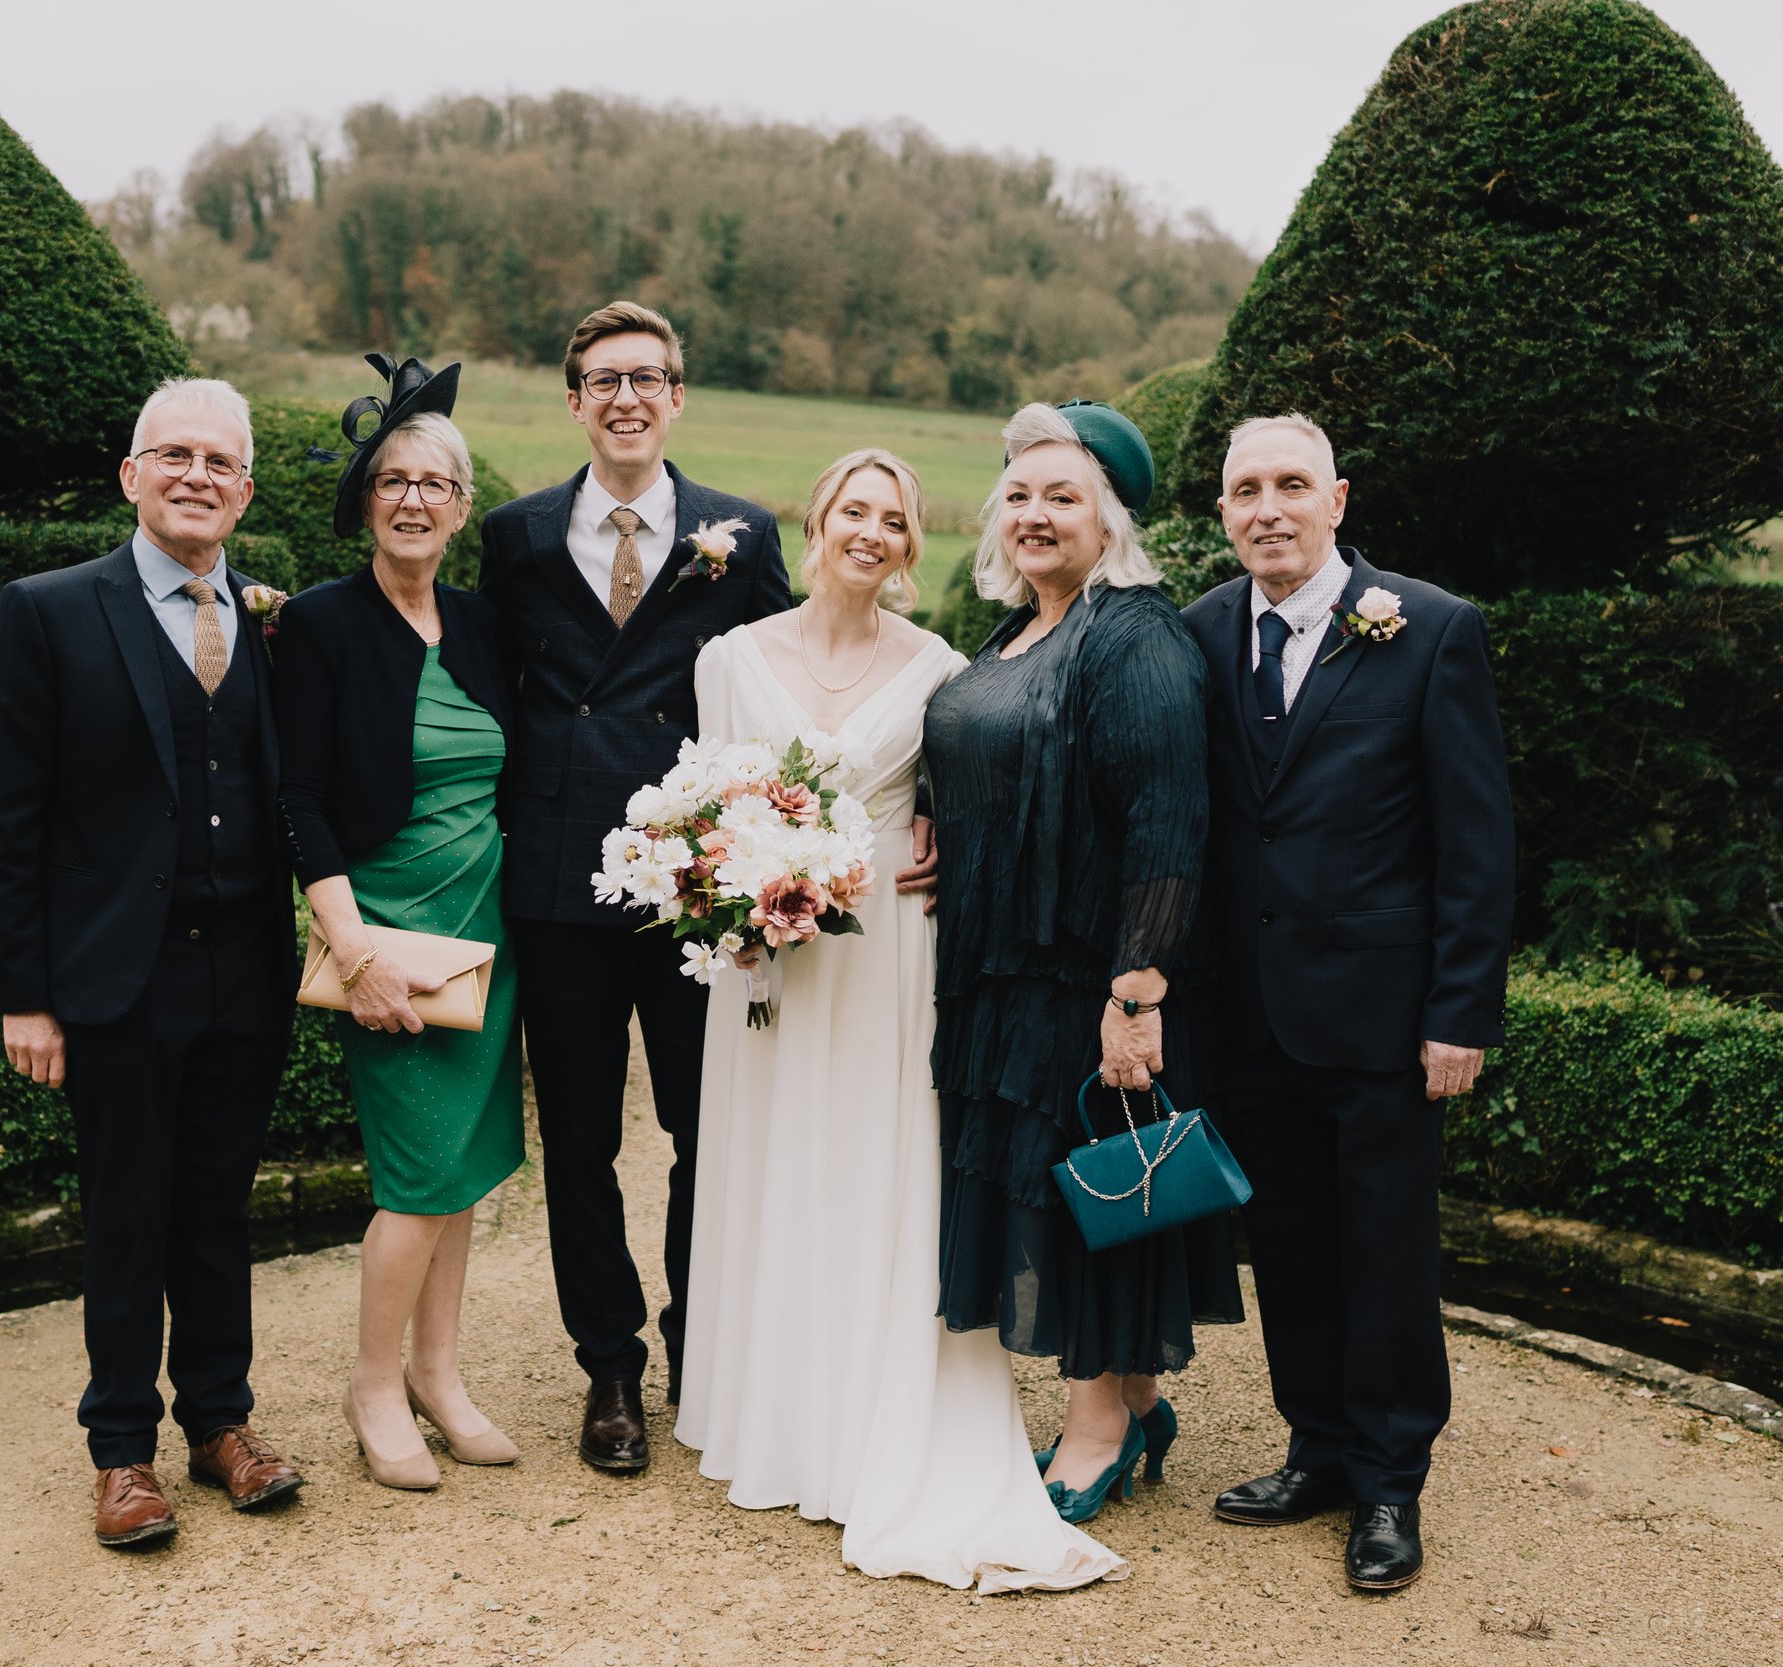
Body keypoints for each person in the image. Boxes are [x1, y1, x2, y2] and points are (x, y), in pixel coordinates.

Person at [673, 449, 1125, 1592]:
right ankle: (777, 1414)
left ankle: (875, 1408)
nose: (869, 532)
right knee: (774, 1160)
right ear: (816, 520)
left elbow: (981, 788)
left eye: (894, 518)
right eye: (853, 510)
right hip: (766, 956)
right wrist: (722, 898)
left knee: (878, 1165)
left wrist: (940, 831)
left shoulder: (937, 666)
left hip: (886, 947)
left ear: (912, 545)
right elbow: (704, 802)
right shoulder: (728, 657)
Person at [0, 376, 304, 1549]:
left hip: (245, 972)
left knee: (216, 1206)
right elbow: (3, 821)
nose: (196, 476)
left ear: (244, 491)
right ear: (132, 475)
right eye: (175, 455)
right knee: (125, 1212)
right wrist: (25, 994)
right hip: (117, 976)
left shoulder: (271, 620)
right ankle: (121, 1449)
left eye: (219, 462)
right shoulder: (47, 611)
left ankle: (220, 1421)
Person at [1181, 413, 1512, 1593]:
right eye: (1244, 489)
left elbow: (1475, 839)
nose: (1266, 507)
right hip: (1250, 1011)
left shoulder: (1430, 627)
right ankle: (1316, 1448)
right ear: (1223, 510)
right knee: (1286, 1244)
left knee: (1384, 1252)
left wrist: (1459, 1010)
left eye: (1290, 484)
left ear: (1336, 499)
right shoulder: (1199, 630)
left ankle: (1387, 1482)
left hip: (1379, 1015)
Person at [477, 301, 791, 1474]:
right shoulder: (513, 535)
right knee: (578, 1138)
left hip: (692, 885)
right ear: (574, 402)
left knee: (706, 1127)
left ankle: (700, 1341)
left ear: (675, 397)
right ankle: (608, 1364)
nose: (626, 397)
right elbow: (485, 682)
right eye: (604, 380)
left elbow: (788, 684)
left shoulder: (740, 535)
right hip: (559, 877)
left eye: (646, 377)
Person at [921, 401, 1243, 1527]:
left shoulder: (1133, 635)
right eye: (1018, 494)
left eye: (1063, 496)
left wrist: (1135, 991)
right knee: (1069, 1185)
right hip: (1000, 970)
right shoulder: (1014, 630)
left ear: (1110, 519)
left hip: (1085, 977)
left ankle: (1096, 1427)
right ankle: (1138, 1402)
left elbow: (1168, 818)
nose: (1035, 514)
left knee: (1085, 1192)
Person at [269, 358, 525, 1492]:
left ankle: (439, 1373)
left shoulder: (482, 624)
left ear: (462, 508)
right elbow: (299, 800)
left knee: (460, 1172)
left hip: (487, 933)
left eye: (435, 484)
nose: (414, 500)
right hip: (389, 934)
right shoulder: (320, 624)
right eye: (393, 481)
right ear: (365, 499)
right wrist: (353, 949)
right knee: (417, 1177)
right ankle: (374, 1384)